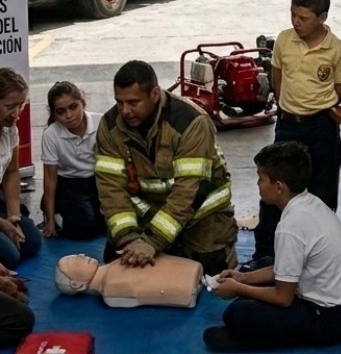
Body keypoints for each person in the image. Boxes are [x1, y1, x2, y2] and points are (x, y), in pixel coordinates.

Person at [205, 142, 341, 353]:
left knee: (236, 314)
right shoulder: (309, 203)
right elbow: (284, 268)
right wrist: (242, 278)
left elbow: (283, 298)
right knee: (262, 266)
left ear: (279, 186)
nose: (258, 184)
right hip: (340, 305)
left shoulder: (291, 227)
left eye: (261, 178)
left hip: (330, 319)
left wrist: (238, 289)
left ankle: (255, 339)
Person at [94, 60, 237, 275]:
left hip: (199, 216)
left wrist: (152, 241)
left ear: (154, 94)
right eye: (119, 102)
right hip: (150, 214)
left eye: (133, 102)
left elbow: (189, 191)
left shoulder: (191, 122)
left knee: (211, 271)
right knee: (119, 261)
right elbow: (110, 190)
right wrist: (129, 238)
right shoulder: (109, 126)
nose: (125, 111)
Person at [250, 0, 341, 268]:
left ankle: (318, 259)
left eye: (303, 18)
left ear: (322, 18)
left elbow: (340, 87)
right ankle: (265, 255)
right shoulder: (283, 40)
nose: (296, 22)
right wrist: (286, 106)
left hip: (321, 128)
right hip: (287, 127)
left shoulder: (337, 50)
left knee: (321, 194)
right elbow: (277, 76)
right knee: (274, 189)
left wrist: (314, 107)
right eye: (293, 14)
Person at [41, 80, 104, 239]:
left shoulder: (101, 123)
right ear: (53, 114)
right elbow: (50, 179)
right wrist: (49, 220)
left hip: (99, 181)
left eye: (73, 107)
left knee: (111, 223)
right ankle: (55, 210)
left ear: (83, 102)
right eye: (61, 112)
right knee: (85, 229)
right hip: (69, 184)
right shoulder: (51, 134)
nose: (69, 116)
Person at [56, 252, 203, 308]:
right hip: (188, 286)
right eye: (74, 261)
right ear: (77, 284)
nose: (81, 255)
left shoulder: (113, 265)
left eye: (76, 255)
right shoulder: (110, 289)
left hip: (191, 275)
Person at [0, 70, 40, 269]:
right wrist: (2, 224)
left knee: (31, 241)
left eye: (20, 105)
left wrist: (13, 216)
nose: (16, 113)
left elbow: (11, 173)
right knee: (10, 256)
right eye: (9, 106)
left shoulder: (10, 131)